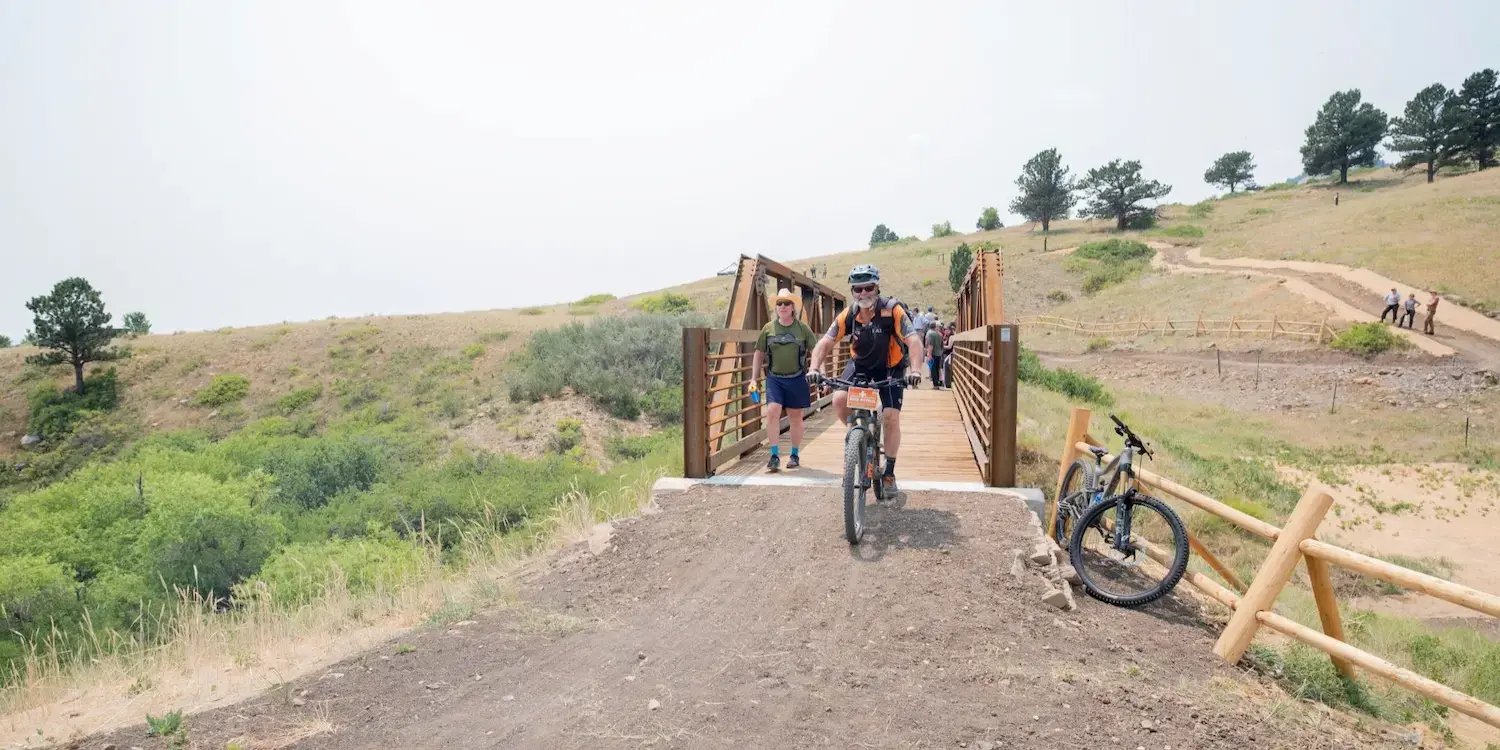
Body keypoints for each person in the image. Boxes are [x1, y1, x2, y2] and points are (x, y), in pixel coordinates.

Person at [807, 263, 924, 493]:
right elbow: (826, 341)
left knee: (890, 416)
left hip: (890, 368)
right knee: (839, 401)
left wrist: (916, 371)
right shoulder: (850, 313)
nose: (863, 294)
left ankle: (889, 473)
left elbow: (913, 340)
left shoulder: (892, 310)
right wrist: (814, 367)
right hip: (860, 366)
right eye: (857, 289)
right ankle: (858, 441)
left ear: (877, 287)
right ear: (852, 291)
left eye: (868, 288)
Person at [751, 289, 818, 472]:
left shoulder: (802, 328)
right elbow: (758, 354)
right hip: (775, 378)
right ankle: (774, 456)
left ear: (792, 307)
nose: (782, 307)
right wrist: (753, 379)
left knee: (795, 417)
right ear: (776, 307)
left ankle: (794, 454)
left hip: (797, 378)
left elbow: (817, 350)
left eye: (786, 303)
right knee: (772, 411)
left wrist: (820, 372)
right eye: (779, 303)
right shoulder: (768, 329)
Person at [925, 321, 944, 389]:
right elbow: (942, 345)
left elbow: (930, 345)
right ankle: (938, 383)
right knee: (937, 369)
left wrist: (929, 354)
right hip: (939, 354)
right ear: (935, 327)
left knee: (933, 370)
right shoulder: (940, 334)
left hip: (933, 354)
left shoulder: (930, 334)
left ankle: (935, 385)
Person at [940, 323, 955, 388]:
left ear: (949, 330)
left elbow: (949, 346)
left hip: (949, 354)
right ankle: (946, 383)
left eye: (946, 330)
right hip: (945, 354)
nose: (945, 331)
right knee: (944, 368)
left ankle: (947, 384)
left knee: (947, 369)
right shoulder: (947, 336)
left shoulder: (951, 336)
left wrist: (942, 346)